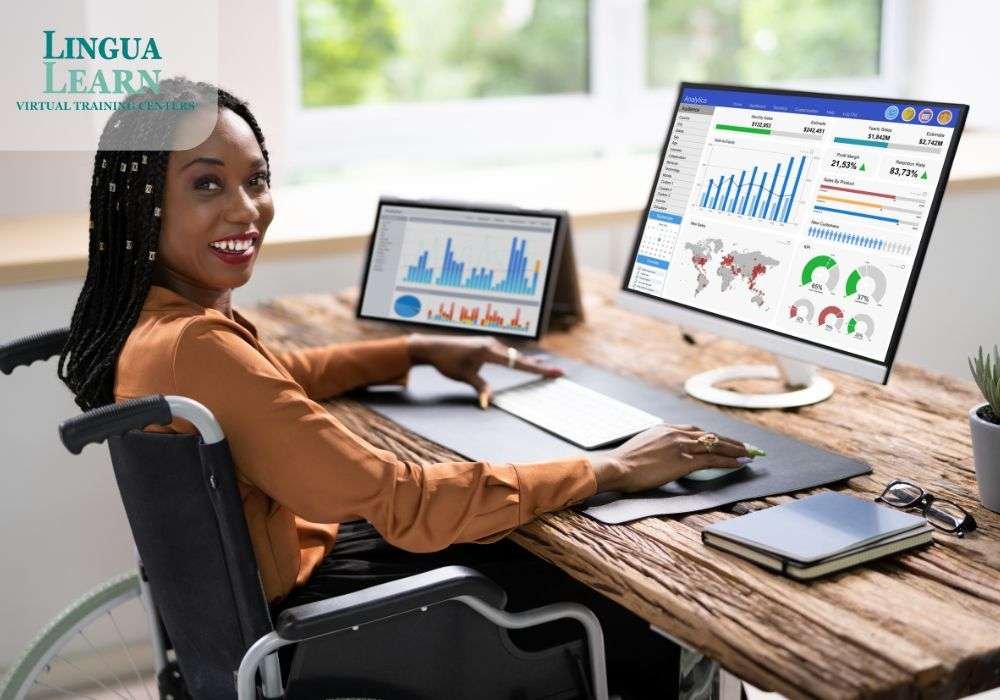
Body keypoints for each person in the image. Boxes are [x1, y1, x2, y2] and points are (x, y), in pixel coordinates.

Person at [58, 77, 751, 698]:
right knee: (618, 588)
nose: (246, 210)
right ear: (139, 206)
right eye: (207, 184)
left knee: (520, 526)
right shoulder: (196, 345)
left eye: (257, 180)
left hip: (272, 600)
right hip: (315, 623)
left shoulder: (149, 324)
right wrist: (612, 467)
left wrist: (416, 351)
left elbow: (271, 384)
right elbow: (403, 501)